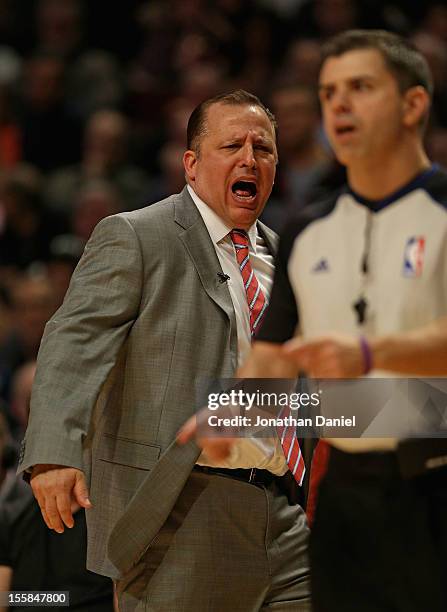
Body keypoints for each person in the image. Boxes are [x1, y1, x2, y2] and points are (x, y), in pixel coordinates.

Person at [179, 31, 447, 612]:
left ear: (413, 106)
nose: (340, 105)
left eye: (361, 87)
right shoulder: (306, 230)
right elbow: (272, 354)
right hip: (345, 488)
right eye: (329, 93)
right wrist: (228, 413)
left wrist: (374, 356)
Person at [19, 90, 311, 611]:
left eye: (262, 149)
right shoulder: (136, 236)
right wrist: (52, 453)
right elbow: (73, 343)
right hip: (183, 511)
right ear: (192, 165)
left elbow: (311, 388)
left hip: (292, 516)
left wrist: (418, 416)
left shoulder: (291, 259)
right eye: (232, 146)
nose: (250, 158)